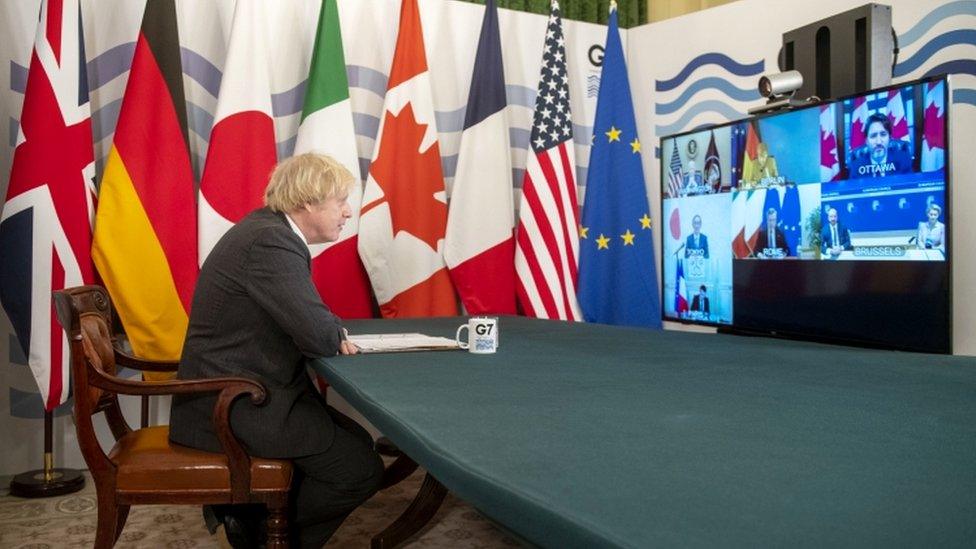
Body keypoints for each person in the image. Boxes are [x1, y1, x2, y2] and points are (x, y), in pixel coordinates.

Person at [169, 153, 384, 549]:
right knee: (360, 469)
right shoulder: (271, 241)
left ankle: (250, 522)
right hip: (231, 404)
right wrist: (328, 329)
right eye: (339, 201)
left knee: (355, 437)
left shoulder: (267, 231)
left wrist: (327, 327)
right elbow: (320, 334)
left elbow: (313, 322)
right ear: (306, 202)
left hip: (239, 391)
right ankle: (265, 539)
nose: (348, 212)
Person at [848, 113, 912, 178]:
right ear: (867, 141)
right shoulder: (856, 166)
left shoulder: (903, 159)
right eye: (873, 136)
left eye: (883, 134)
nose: (878, 142)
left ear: (889, 138)